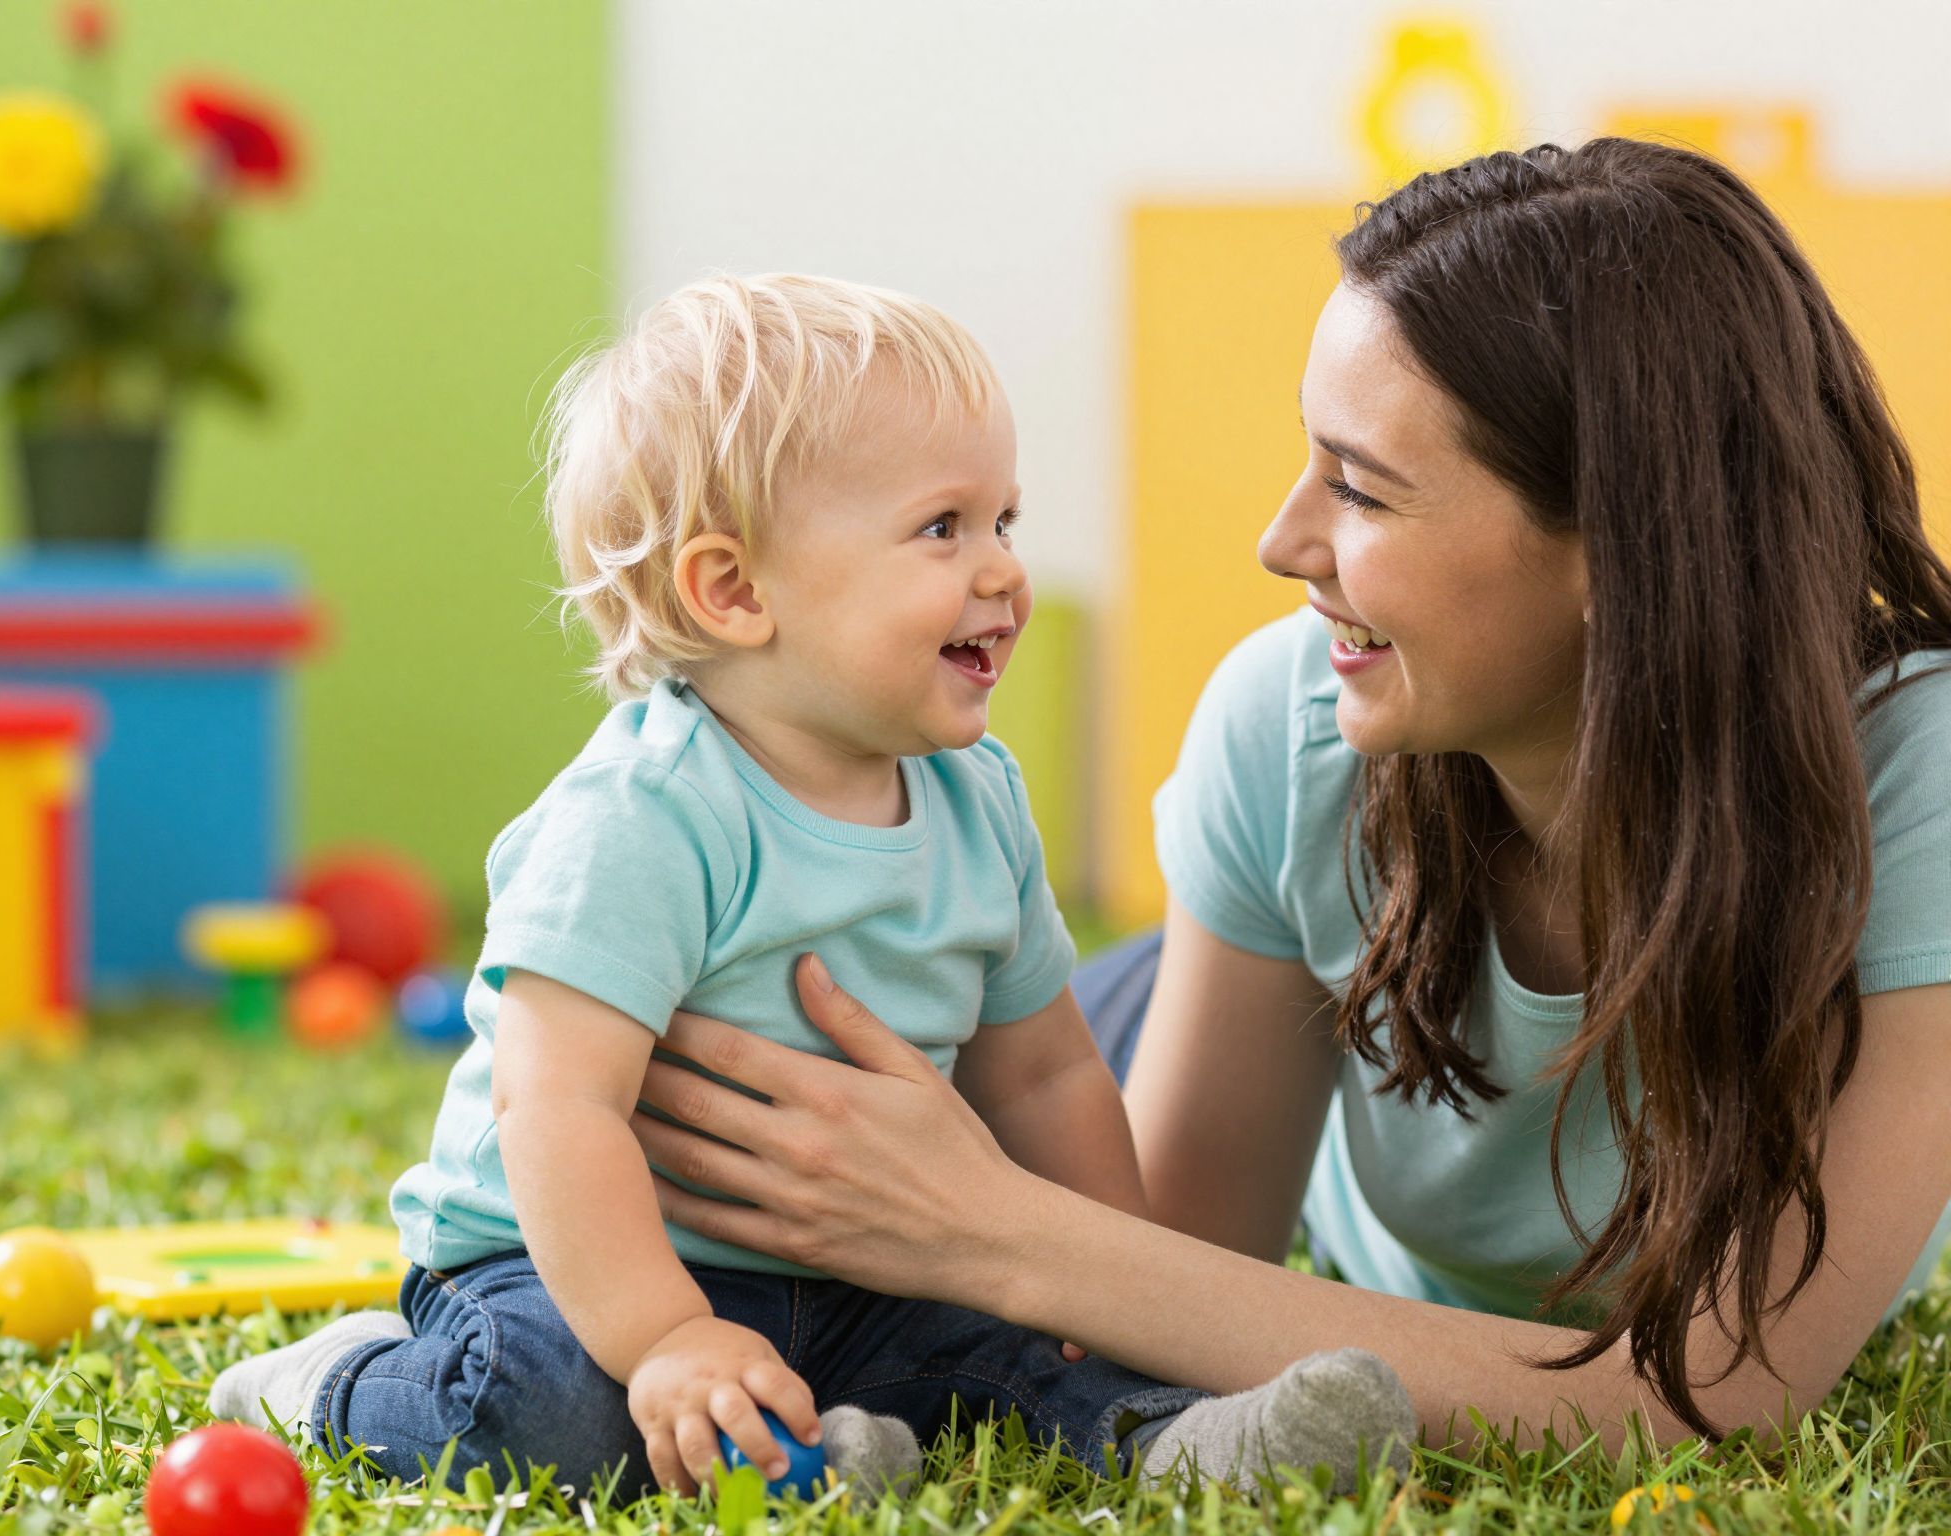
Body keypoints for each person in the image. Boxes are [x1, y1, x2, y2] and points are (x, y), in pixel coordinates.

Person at [627, 139, 1951, 1451]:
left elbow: (1705, 1399)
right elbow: (1166, 1282)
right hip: (1170, 1025)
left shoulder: (1915, 776)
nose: (1280, 542)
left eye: (1360, 488)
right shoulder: (1296, 721)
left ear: (1620, 546)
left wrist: (987, 1229)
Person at [209, 274, 1416, 1499]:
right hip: (576, 1263)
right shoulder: (644, 815)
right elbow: (555, 1107)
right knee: (564, 1417)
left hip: (862, 1261)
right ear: (734, 592)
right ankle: (338, 1379)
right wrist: (667, 1336)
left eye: (1003, 520)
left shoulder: (976, 800)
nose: (1002, 572)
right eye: (941, 528)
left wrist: (1111, 1292)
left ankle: (1169, 1437)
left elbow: (1042, 1072)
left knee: (1008, 1356)